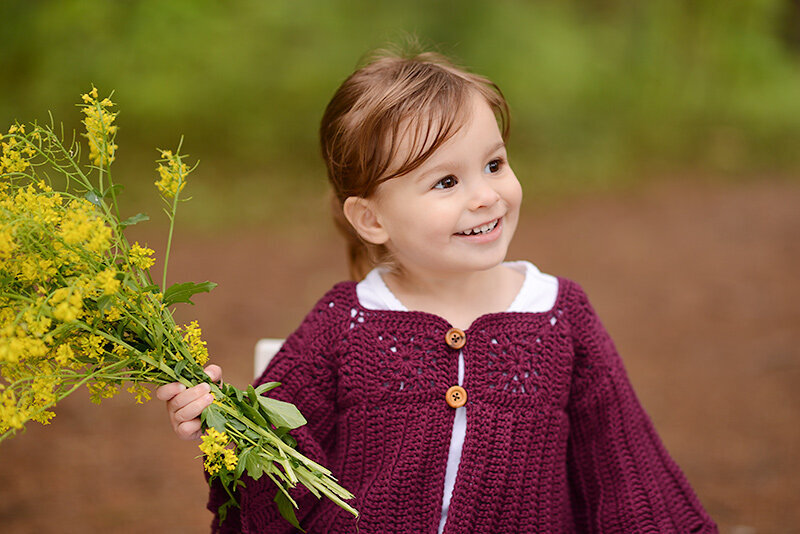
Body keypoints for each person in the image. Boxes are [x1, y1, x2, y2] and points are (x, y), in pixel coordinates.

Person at [157, 49, 718, 533]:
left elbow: (624, 470)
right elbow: (276, 463)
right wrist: (222, 416)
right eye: (446, 181)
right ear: (372, 220)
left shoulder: (558, 316)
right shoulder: (345, 323)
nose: (485, 196)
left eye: (494, 164)